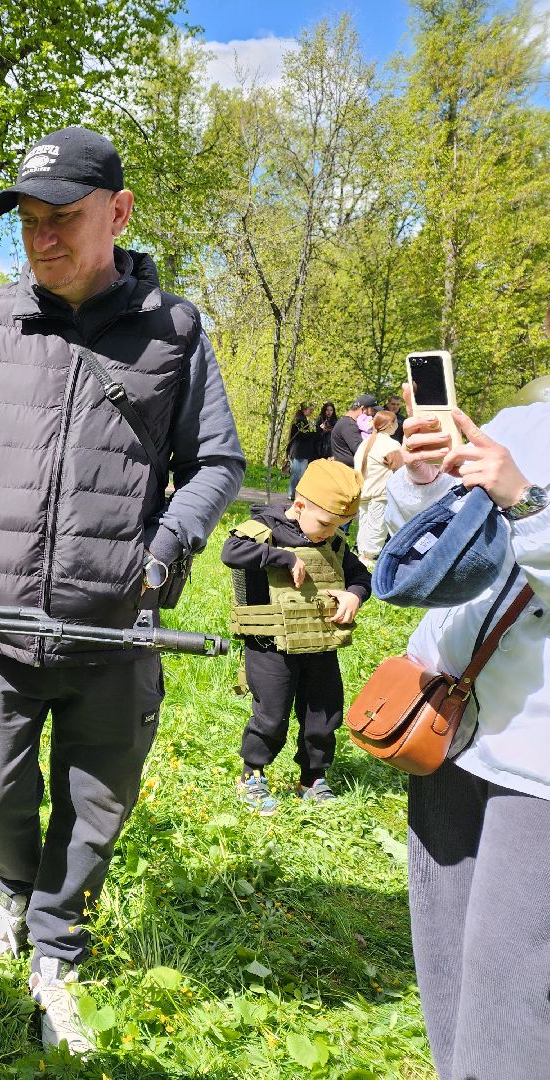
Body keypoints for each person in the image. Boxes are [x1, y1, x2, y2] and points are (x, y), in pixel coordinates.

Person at [0, 125, 245, 1052]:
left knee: (95, 806)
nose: (43, 238)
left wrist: (163, 554)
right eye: (30, 223)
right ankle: (12, 889)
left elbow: (217, 462)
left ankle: (57, 944)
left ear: (119, 212)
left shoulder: (174, 332)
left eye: (64, 218)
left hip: (114, 635)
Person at [382, 390, 549, 1080]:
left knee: (512, 1006)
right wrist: (421, 481)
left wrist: (529, 507)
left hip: (536, 769)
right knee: (448, 978)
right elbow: (435, 553)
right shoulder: (521, 422)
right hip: (448, 730)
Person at [221, 459, 370, 813]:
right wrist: (281, 557)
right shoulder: (264, 528)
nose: (329, 533)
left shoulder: (332, 541)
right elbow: (231, 551)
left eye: (339, 526)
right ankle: (252, 775)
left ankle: (313, 778)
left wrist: (355, 594)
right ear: (299, 505)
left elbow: (360, 576)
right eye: (325, 523)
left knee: (323, 711)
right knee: (270, 714)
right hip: (270, 645)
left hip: (319, 644)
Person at [352, 409, 403, 563]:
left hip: (364, 490)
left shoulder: (365, 442)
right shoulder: (390, 444)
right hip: (379, 492)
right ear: (389, 425)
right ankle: (369, 558)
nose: (397, 425)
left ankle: (363, 555)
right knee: (376, 527)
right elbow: (401, 469)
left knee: (365, 524)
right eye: (395, 422)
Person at [329, 393, 377, 467]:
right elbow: (360, 450)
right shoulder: (348, 425)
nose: (374, 413)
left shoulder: (348, 423)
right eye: (373, 410)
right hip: (348, 472)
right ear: (363, 409)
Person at [284, 402, 319, 499]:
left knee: (298, 473)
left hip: (298, 451)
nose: (311, 412)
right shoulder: (300, 420)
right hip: (300, 451)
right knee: (298, 474)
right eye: (310, 410)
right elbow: (303, 435)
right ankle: (293, 493)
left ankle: (293, 493)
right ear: (304, 409)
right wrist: (315, 432)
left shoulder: (301, 420)